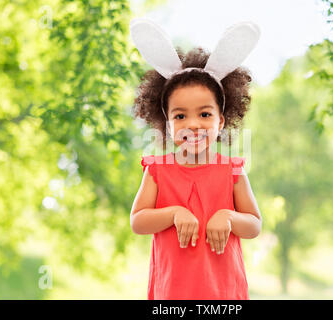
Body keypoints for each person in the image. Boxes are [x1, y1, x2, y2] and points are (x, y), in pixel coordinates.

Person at [129, 18, 262, 300]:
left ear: (221, 121)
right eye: (180, 116)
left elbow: (253, 225)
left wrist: (227, 216)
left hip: (224, 294)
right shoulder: (157, 170)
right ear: (167, 124)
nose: (193, 124)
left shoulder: (233, 171)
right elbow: (138, 221)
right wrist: (173, 213)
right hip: (172, 294)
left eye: (204, 114)